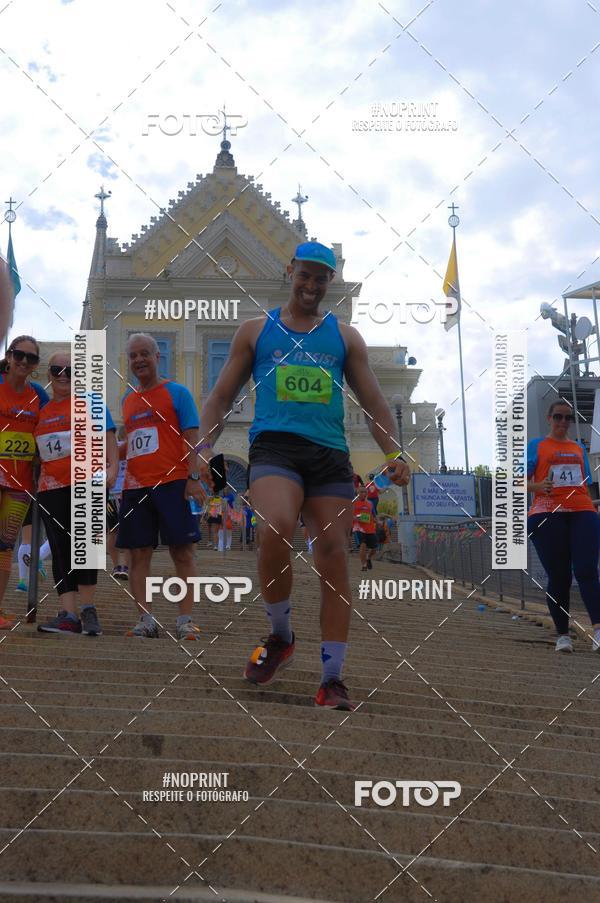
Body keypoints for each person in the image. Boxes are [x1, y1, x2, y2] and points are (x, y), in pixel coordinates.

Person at [199, 241, 410, 709]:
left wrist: (394, 451)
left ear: (329, 282)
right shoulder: (256, 331)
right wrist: (204, 444)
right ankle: (281, 635)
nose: (311, 285)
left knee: (334, 556)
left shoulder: (345, 337)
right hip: (275, 447)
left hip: (329, 455)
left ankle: (332, 678)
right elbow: (219, 397)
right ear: (290, 270)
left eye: (321, 278)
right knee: (275, 525)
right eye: (305, 275)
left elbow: (375, 403)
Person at [117, 334, 205, 640]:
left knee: (182, 552)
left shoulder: (177, 393)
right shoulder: (128, 401)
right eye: (133, 356)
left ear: (158, 357)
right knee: (138, 554)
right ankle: (145, 619)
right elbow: (132, 442)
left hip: (173, 482)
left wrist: (193, 479)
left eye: (145, 354)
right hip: (135, 486)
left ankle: (185, 620)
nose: (139, 360)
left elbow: (193, 438)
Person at [35, 352, 119, 635]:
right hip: (50, 489)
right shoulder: (42, 411)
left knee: (85, 549)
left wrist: (114, 468)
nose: (63, 375)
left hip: (87, 484)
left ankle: (88, 609)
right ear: (49, 374)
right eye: (57, 369)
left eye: (70, 370)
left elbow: (109, 438)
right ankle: (69, 615)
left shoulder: (92, 403)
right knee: (61, 551)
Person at [527, 400, 600, 653]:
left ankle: (598, 631)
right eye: (557, 416)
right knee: (560, 576)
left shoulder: (578, 448)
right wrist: (537, 487)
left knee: (587, 570)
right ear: (549, 418)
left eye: (567, 418)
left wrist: (593, 506)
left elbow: (588, 483)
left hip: (582, 511)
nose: (562, 422)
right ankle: (563, 635)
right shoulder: (536, 445)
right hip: (548, 512)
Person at [0, 336, 48, 630]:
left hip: (20, 485)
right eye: (20, 355)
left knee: (4, 547)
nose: (24, 362)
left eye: (31, 359)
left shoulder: (38, 395)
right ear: (9, 355)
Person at [353, 486, 377, 571]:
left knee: (374, 548)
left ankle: (368, 558)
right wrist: (354, 517)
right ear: (357, 493)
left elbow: (374, 515)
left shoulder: (370, 503)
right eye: (361, 492)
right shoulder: (353, 503)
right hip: (358, 528)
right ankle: (364, 565)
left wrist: (378, 522)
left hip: (370, 528)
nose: (364, 494)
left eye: (365, 492)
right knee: (362, 545)